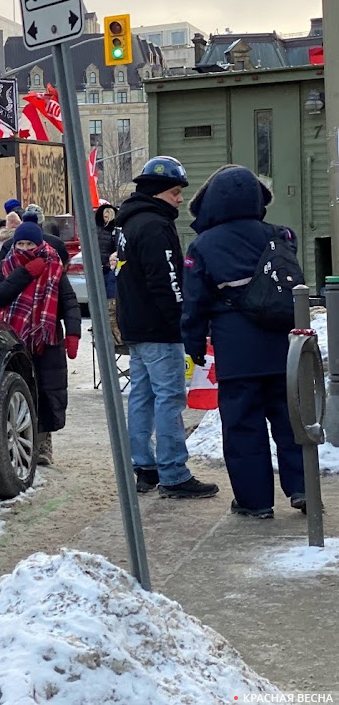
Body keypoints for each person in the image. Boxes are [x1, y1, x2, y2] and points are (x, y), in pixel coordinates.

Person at [180, 165, 306, 518]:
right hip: (284, 348)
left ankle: (255, 502)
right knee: (291, 420)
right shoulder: (282, 235)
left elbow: (195, 303)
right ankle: (301, 487)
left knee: (243, 427)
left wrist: (193, 346)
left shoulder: (203, 245)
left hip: (237, 352)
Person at [115, 156, 219, 500]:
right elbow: (168, 281)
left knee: (142, 397)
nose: (180, 199)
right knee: (169, 397)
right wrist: (183, 321)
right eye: (176, 192)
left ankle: (145, 466)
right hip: (159, 329)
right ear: (159, 192)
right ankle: (174, 472)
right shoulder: (156, 227)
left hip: (136, 326)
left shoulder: (130, 223)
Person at [0, 215, 81, 465]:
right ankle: (15, 444)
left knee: (45, 393)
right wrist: (26, 273)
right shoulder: (7, 264)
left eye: (31, 245)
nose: (26, 249)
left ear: (39, 244)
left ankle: (42, 445)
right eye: (21, 245)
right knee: (18, 392)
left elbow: (69, 302)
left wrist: (73, 331)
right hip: (15, 340)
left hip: (46, 339)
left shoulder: (54, 265)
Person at [0, 208, 70, 264]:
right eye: (20, 244)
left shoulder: (7, 247)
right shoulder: (56, 244)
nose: (25, 249)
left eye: (30, 244)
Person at [95, 203, 119, 300]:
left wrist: (109, 266)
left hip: (109, 269)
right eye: (105, 217)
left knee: (109, 297)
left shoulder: (115, 231)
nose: (106, 219)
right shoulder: (97, 230)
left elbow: (118, 251)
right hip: (100, 268)